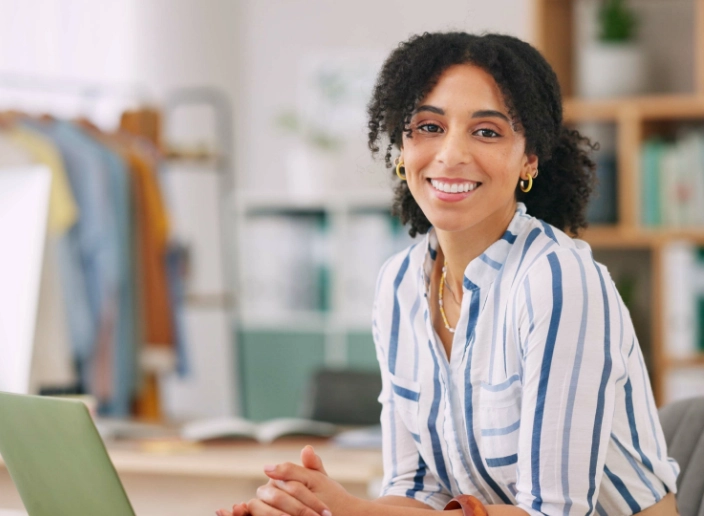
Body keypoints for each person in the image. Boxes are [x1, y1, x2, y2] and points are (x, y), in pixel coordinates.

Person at [219, 31, 679, 516]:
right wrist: (322, 508)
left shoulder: (557, 281)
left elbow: (554, 513)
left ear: (529, 158)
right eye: (428, 127)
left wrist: (350, 512)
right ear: (401, 150)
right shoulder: (399, 287)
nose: (451, 154)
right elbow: (419, 495)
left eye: (486, 131)